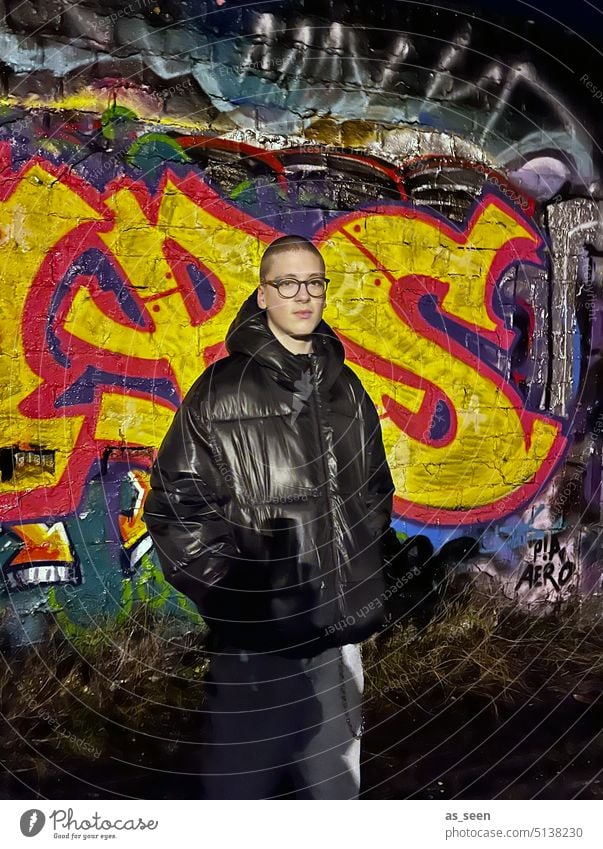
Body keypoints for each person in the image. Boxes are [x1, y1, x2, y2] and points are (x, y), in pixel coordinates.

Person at [143, 234, 397, 799]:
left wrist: (360, 564)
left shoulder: (348, 389)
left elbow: (375, 489)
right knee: (241, 796)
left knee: (336, 790)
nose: (302, 295)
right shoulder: (221, 391)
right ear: (263, 296)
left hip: (339, 634)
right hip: (255, 646)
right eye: (287, 283)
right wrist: (237, 596)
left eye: (314, 282)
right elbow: (173, 506)